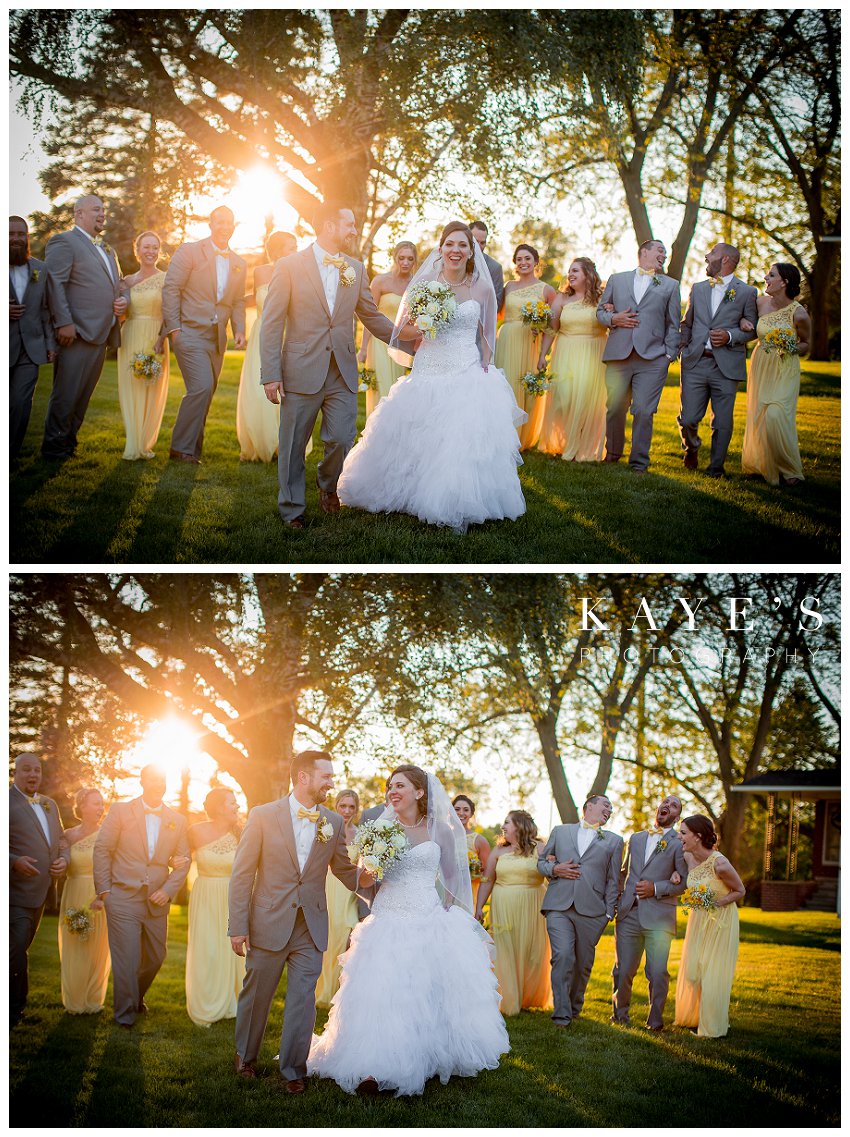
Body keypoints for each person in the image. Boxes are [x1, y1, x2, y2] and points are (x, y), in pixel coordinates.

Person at [308, 764, 509, 1096]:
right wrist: (371, 866)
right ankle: (373, 1066)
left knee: (422, 994)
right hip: (387, 918)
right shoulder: (379, 829)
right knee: (382, 992)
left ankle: (426, 1054)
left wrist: (447, 915)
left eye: (400, 785)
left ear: (419, 791)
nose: (392, 791)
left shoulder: (441, 830)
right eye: (390, 786)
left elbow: (453, 879)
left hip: (427, 919)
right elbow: (365, 883)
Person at [337, 220, 527, 534]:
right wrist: (425, 324)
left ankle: (451, 496)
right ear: (440, 249)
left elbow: (488, 335)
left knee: (459, 437)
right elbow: (402, 332)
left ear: (471, 251)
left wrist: (485, 366)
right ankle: (407, 490)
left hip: (465, 366)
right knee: (417, 429)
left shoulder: (481, 286)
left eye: (462, 245)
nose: (456, 250)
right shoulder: (424, 283)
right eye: (450, 244)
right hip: (428, 364)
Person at [260, 202, 416, 529]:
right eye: (350, 225)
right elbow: (272, 322)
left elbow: (371, 317)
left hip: (342, 370)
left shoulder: (356, 269)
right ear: (330, 226)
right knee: (293, 446)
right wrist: (271, 373)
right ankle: (292, 509)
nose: (354, 231)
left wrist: (411, 342)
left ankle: (328, 486)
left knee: (343, 438)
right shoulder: (289, 266)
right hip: (300, 368)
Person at [228, 750, 375, 1093]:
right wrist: (238, 925)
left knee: (302, 998)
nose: (332, 783)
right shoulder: (263, 815)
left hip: (311, 924)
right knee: (257, 994)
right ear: (304, 777)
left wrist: (367, 877)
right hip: (267, 920)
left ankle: (294, 1068)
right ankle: (246, 1055)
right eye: (326, 776)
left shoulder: (333, 822)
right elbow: (242, 874)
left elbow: (342, 868)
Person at [92, 764, 190, 1027]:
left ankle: (135, 996)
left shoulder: (177, 820)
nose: (159, 784)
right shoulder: (121, 811)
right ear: (142, 781)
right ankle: (125, 1015)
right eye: (154, 779)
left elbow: (184, 860)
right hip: (122, 896)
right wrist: (104, 891)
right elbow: (102, 849)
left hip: (157, 900)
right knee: (128, 958)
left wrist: (168, 890)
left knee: (157, 956)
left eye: (163, 780)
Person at [42, 194, 126, 459]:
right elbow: (54, 283)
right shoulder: (65, 242)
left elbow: (119, 284)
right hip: (75, 333)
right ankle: (53, 448)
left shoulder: (107, 249)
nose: (102, 214)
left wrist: (124, 300)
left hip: (100, 334)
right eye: (96, 209)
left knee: (83, 396)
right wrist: (64, 323)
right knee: (66, 394)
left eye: (103, 209)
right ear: (78, 213)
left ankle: (68, 443)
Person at [162, 205, 247, 464]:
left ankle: (191, 450)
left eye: (229, 222)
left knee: (206, 394)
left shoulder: (239, 263)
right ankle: (181, 448)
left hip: (217, 338)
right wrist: (174, 328)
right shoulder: (189, 251)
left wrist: (239, 329)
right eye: (219, 222)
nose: (224, 227)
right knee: (201, 387)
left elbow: (238, 301)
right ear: (211, 224)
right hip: (188, 331)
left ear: (233, 227)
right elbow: (171, 288)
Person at [537, 794, 622, 1029]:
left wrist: (607, 914)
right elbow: (541, 863)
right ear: (589, 806)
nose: (609, 809)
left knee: (583, 964)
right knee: (563, 955)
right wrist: (556, 868)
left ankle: (574, 1007)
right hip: (558, 905)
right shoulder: (561, 831)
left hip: (593, 911)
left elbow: (614, 880)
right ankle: (561, 1015)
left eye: (611, 808)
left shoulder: (614, 841)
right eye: (606, 804)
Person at [596, 239, 681, 473]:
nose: (664, 255)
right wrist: (613, 319)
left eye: (665, 252)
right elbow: (601, 310)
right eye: (660, 250)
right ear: (644, 252)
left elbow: (674, 324)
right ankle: (612, 454)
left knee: (643, 410)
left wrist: (668, 354)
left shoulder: (671, 285)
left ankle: (639, 462)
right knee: (614, 407)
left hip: (653, 358)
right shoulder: (617, 279)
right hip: (618, 354)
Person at [678, 242, 758, 477]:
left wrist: (731, 335)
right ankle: (691, 448)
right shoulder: (698, 288)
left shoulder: (747, 292)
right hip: (696, 362)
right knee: (689, 418)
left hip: (726, 366)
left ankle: (716, 467)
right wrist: (682, 348)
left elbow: (752, 330)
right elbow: (687, 323)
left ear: (725, 260)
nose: (706, 256)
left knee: (722, 421)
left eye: (712, 253)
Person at [612, 794, 688, 1031]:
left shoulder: (679, 843)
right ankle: (620, 1016)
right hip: (628, 914)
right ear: (658, 808)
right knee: (623, 970)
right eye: (665, 802)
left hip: (659, 918)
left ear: (677, 816)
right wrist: (617, 900)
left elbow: (684, 882)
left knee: (656, 973)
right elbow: (624, 872)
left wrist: (656, 888)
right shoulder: (635, 838)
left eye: (673, 805)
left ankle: (655, 1020)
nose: (667, 805)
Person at [9, 752, 69, 1025]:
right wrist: (14, 861)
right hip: (15, 892)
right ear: (16, 772)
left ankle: (16, 1010)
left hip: (41, 892)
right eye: (27, 770)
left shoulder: (49, 804)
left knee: (20, 949)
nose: (33, 775)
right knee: (16, 949)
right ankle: (12, 1011)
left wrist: (63, 861)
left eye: (37, 770)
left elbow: (62, 840)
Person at [475, 810, 552, 1017]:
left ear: (520, 825)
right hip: (503, 905)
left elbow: (552, 874)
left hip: (534, 904)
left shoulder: (541, 847)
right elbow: (488, 880)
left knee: (533, 953)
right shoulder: (499, 851)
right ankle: (508, 1001)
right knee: (506, 952)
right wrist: (479, 907)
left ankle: (530, 997)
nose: (503, 826)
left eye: (507, 822)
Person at [740, 262, 811, 486]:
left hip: (785, 367)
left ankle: (790, 470)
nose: (765, 278)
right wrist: (743, 321)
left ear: (784, 282)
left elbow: (806, 344)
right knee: (760, 414)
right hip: (761, 364)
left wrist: (790, 346)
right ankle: (761, 465)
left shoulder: (799, 314)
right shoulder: (760, 302)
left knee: (776, 415)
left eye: (771, 275)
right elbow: (749, 325)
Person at [674, 815, 745, 1038]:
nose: (680, 836)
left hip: (720, 921)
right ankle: (691, 1017)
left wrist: (716, 902)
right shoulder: (687, 856)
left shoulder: (720, 863)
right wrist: (676, 874)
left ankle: (712, 1028)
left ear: (698, 836)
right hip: (698, 919)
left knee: (712, 973)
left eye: (683, 833)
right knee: (693, 971)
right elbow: (682, 874)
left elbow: (740, 891)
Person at [536, 256, 608, 461]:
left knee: (586, 401)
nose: (571, 274)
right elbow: (551, 329)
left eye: (576, 270)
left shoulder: (601, 298)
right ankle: (565, 440)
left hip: (593, 353)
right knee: (564, 398)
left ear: (588, 275)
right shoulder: (562, 298)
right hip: (565, 352)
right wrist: (543, 355)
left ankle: (583, 446)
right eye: (570, 271)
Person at [185, 787, 245, 1027]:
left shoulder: (241, 833)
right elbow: (177, 857)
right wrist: (173, 860)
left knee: (231, 949)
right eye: (232, 802)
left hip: (233, 898)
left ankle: (233, 999)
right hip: (205, 897)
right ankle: (206, 1001)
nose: (237, 807)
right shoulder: (195, 832)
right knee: (208, 948)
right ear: (219, 806)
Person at [236, 231, 297, 462]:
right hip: (262, 334)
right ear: (278, 250)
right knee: (257, 385)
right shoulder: (260, 271)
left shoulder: (297, 273)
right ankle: (259, 442)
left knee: (287, 387)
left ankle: (284, 444)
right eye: (291, 247)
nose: (295, 252)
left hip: (287, 334)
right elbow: (254, 297)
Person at [494, 243, 557, 450]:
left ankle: (522, 437)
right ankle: (502, 435)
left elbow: (552, 325)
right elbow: (498, 314)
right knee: (505, 387)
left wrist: (543, 352)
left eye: (527, 259)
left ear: (536, 262)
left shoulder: (546, 290)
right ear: (515, 263)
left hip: (529, 344)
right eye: (519, 259)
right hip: (506, 338)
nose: (523, 263)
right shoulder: (508, 287)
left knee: (525, 388)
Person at [116, 230, 170, 460]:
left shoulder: (167, 278)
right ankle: (133, 441)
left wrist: (161, 338)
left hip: (155, 338)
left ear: (159, 251)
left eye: (154, 247)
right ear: (137, 251)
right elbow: (121, 314)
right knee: (132, 387)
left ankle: (145, 442)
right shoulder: (126, 281)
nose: (151, 251)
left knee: (151, 389)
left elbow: (170, 313)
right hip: (130, 336)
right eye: (146, 247)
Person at [58, 787, 111, 1014]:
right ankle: (74, 1000)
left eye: (101, 803)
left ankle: (92, 999)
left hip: (98, 896)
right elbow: (61, 862)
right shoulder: (68, 835)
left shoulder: (107, 835)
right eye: (95, 803)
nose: (100, 808)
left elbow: (111, 869)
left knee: (96, 947)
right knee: (75, 946)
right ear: (82, 806)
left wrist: (101, 897)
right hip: (73, 892)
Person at [9, 215, 56, 459]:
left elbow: (45, 310)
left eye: (21, 234)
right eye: (10, 234)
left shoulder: (40, 268)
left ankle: (10, 457)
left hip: (31, 348)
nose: (16, 239)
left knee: (20, 403)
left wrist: (50, 343)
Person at [357, 241, 418, 417]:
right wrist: (363, 349)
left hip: (402, 343)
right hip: (378, 343)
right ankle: (375, 431)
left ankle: (392, 432)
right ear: (395, 257)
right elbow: (369, 316)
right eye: (401, 258)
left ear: (415, 261)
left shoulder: (417, 285)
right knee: (381, 388)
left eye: (410, 259)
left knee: (395, 388)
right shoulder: (380, 281)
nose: (405, 262)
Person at [315, 789, 361, 1008]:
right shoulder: (325, 828)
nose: (346, 811)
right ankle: (322, 989)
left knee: (346, 934)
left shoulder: (360, 835)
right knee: (327, 937)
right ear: (336, 806)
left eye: (351, 807)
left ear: (356, 809)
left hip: (349, 892)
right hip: (326, 887)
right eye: (343, 806)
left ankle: (340, 992)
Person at [452, 793, 491, 909]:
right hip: (447, 889)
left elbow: (487, 874)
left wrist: (473, 871)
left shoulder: (479, 840)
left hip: (469, 892)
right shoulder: (445, 836)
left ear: (471, 814)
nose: (461, 813)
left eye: (466, 810)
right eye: (457, 809)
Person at [470, 220, 505, 309]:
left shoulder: (495, 267)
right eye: (475, 241)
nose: (478, 246)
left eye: (482, 243)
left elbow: (497, 304)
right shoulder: (455, 261)